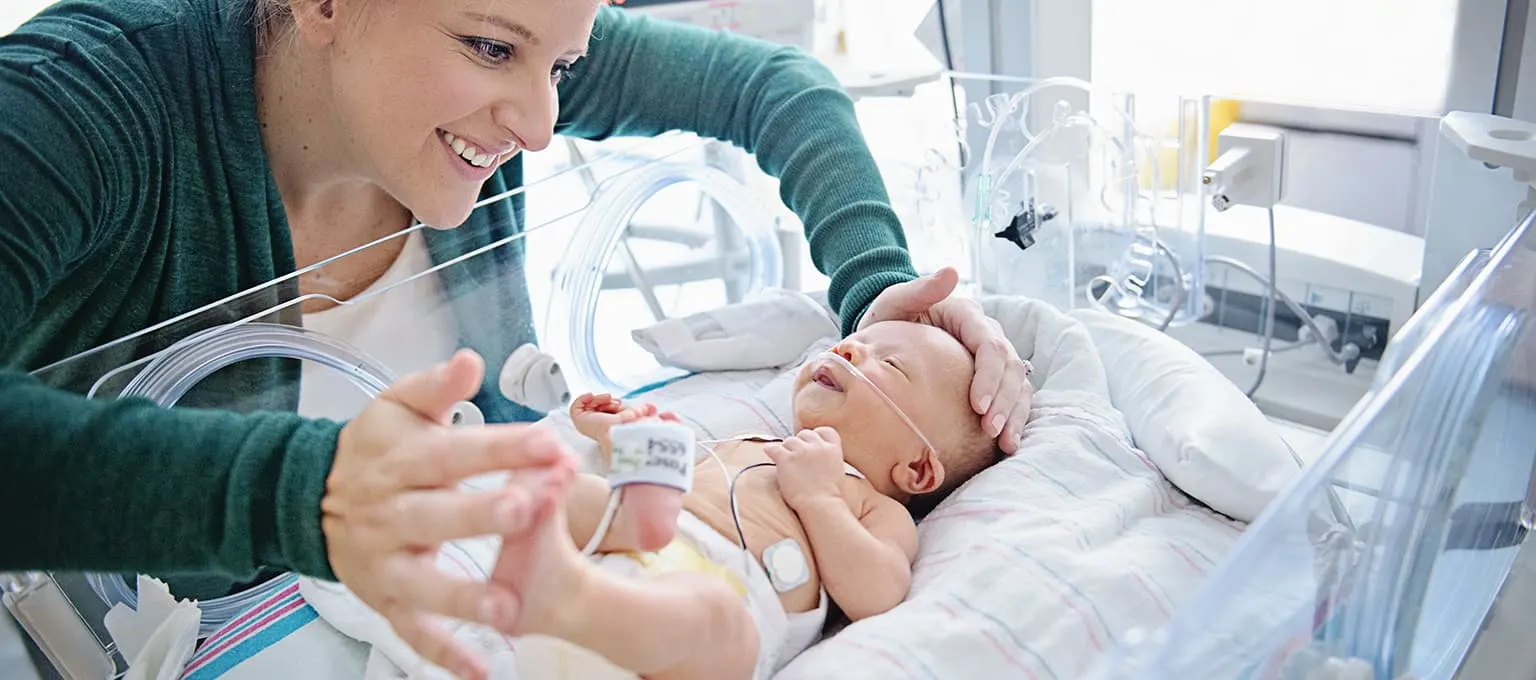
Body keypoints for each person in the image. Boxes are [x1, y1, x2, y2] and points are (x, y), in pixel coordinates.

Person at [0, 0, 1034, 674]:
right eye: (491, 49)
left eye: (564, 63)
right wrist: (304, 491)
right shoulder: (85, 105)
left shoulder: (510, 39)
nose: (541, 124)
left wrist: (878, 289)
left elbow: (778, 89)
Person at [485, 320, 1004, 680]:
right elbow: (670, 480)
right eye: (855, 340)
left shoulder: (872, 505)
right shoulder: (753, 442)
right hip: (638, 544)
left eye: (889, 363)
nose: (848, 350)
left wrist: (820, 498)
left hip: (720, 600)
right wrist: (621, 434)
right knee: (558, 488)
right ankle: (543, 576)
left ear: (916, 467)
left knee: (721, 633)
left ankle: (572, 599)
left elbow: (878, 591)